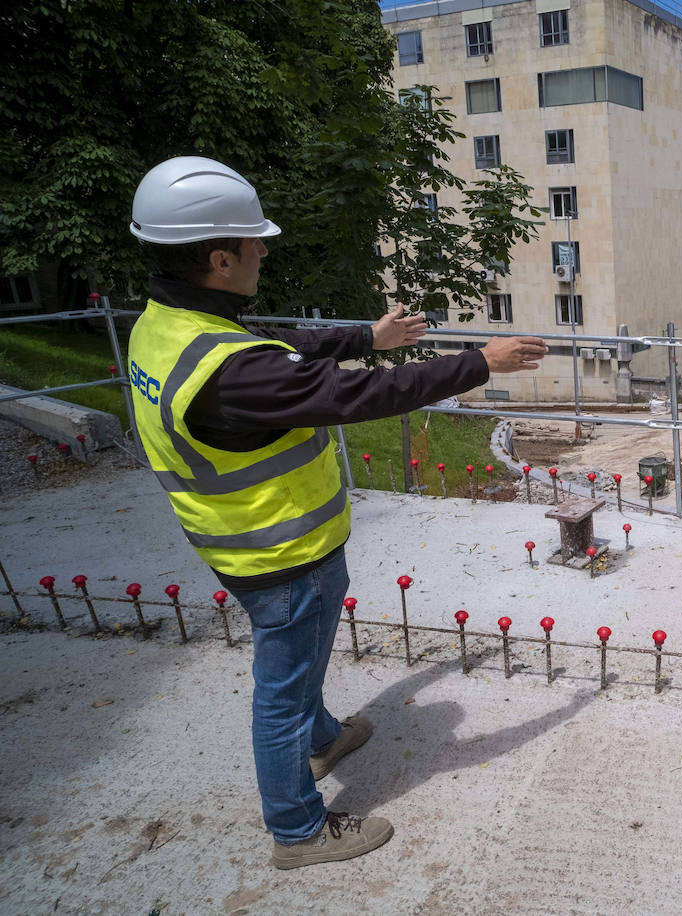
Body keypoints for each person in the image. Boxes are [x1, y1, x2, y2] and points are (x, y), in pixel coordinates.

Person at [125, 156, 547, 869]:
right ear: (220, 258)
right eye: (255, 243)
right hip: (281, 556)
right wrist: (478, 361)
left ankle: (324, 739)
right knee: (281, 691)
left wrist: (363, 339)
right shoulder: (232, 373)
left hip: (245, 544)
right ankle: (298, 829)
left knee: (300, 663)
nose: (265, 250)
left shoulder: (168, 326)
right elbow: (356, 398)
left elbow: (273, 348)